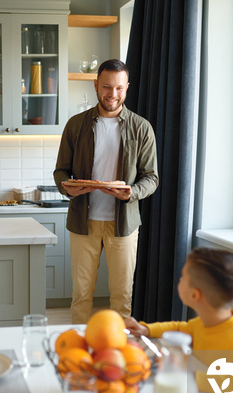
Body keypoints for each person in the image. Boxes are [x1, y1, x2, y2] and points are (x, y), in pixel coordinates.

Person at [54, 58, 159, 324]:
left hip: (123, 224)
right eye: (106, 87)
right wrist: (70, 189)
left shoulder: (141, 127)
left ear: (127, 88)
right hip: (83, 221)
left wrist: (132, 192)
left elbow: (152, 178)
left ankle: (117, 352)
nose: (112, 94)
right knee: (81, 294)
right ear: (96, 85)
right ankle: (79, 351)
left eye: (119, 88)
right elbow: (60, 172)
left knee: (122, 296)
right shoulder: (76, 125)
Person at [125, 247, 233, 393]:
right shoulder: (206, 323)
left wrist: (192, 377)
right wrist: (146, 330)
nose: (179, 280)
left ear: (195, 295)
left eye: (182, 277)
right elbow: (181, 328)